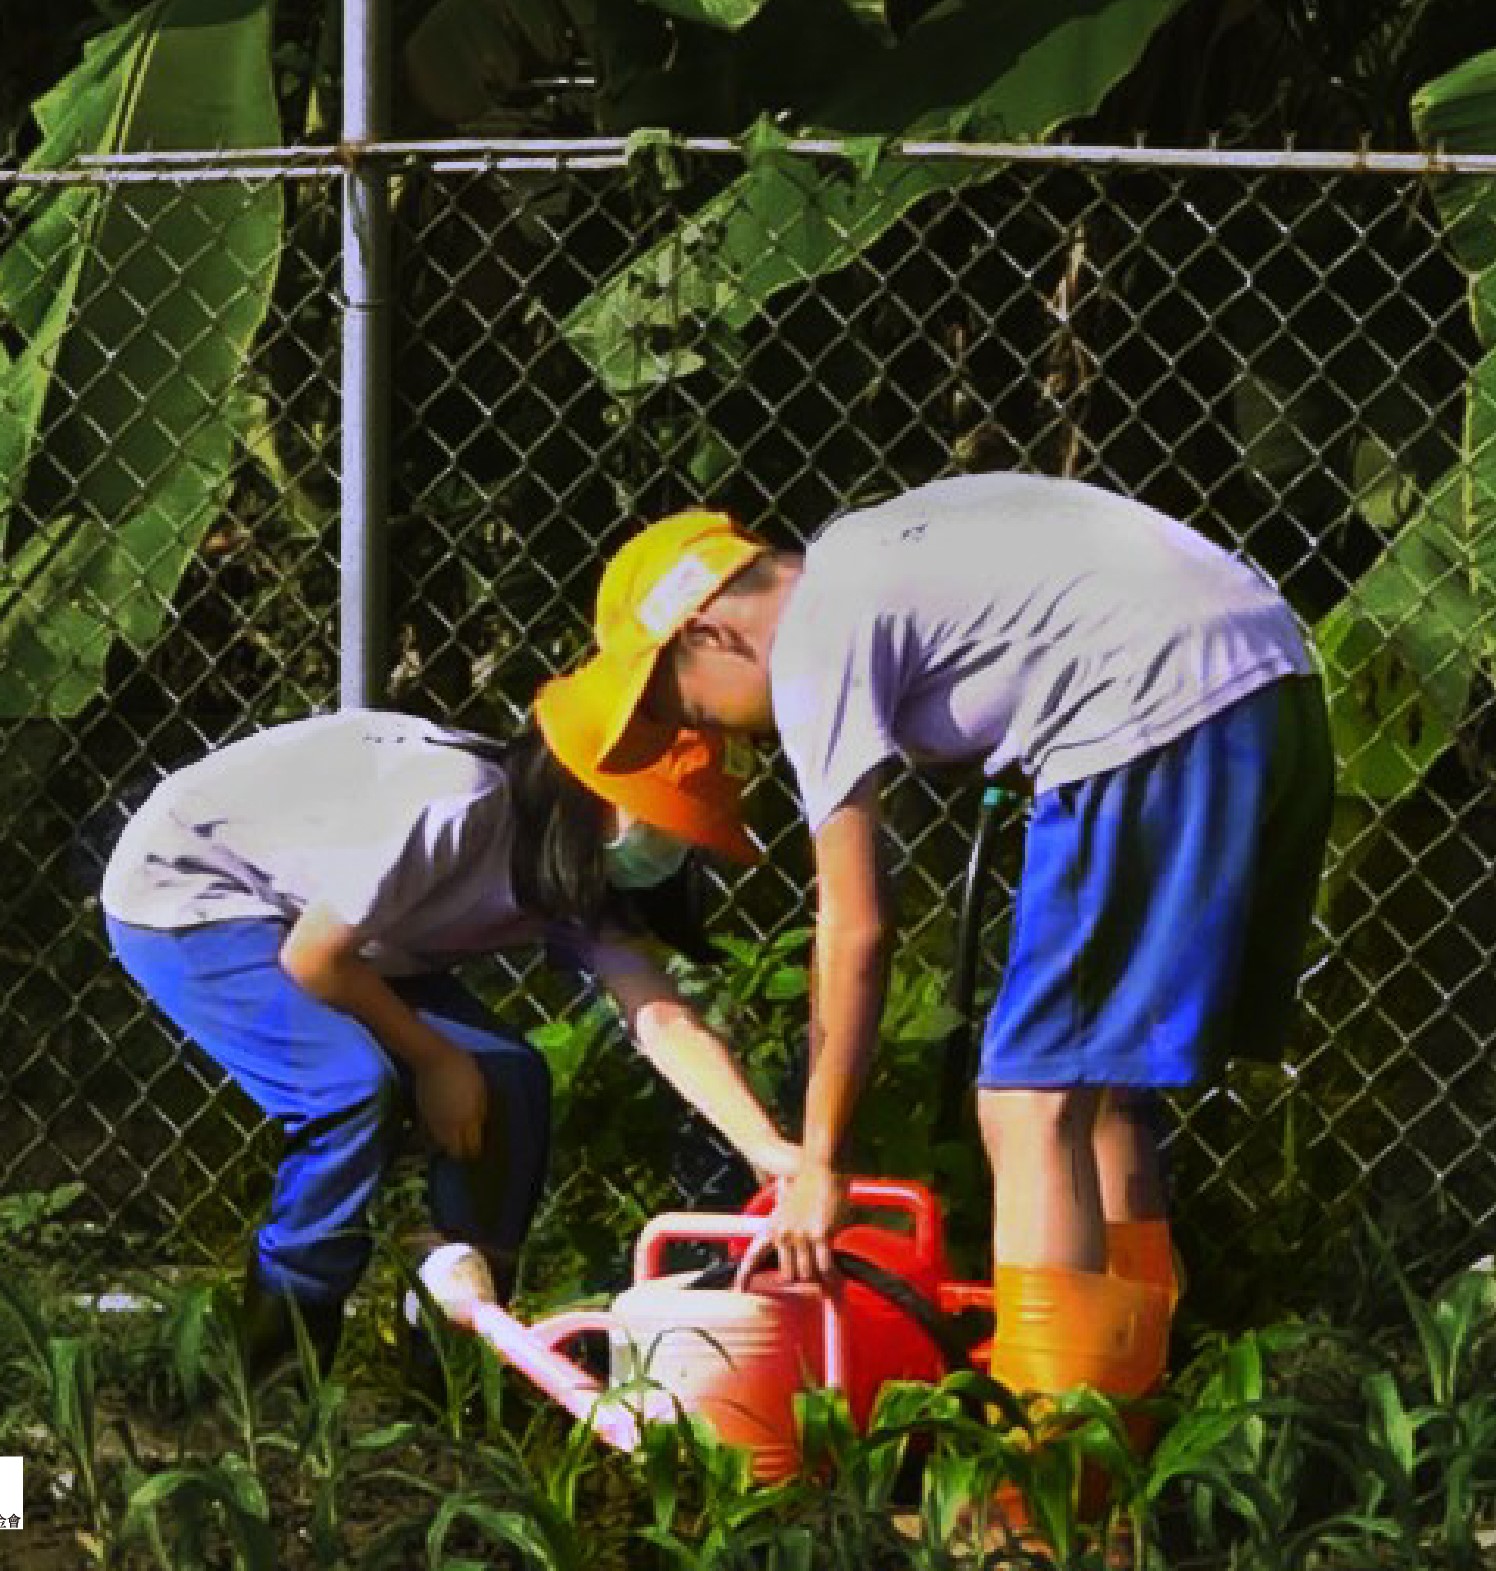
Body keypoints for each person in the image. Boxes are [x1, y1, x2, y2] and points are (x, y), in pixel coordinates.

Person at [537, 472, 1334, 1425]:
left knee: (1027, 1105)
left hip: (1148, 705)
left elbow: (857, 924)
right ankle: (1132, 1407)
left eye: (695, 710)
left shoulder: (813, 641)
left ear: (710, 632)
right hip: (1271, 682)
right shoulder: (872, 552)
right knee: (1100, 1095)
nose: (717, 736)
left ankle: (1050, 1466)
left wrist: (821, 1158)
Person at [101, 706, 795, 1372]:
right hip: (194, 887)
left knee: (511, 1083)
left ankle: (450, 1365)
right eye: (663, 816)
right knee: (345, 1090)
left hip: (331, 931)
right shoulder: (462, 803)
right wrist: (437, 1061)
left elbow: (662, 1018)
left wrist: (767, 1148)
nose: (672, 841)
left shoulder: (580, 874)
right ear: (595, 781)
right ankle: (275, 1377)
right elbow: (313, 960)